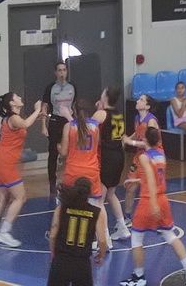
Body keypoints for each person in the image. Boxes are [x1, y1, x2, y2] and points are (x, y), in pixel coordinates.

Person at [120, 127, 186, 286]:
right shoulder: (161, 154)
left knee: (136, 238)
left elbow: (150, 177)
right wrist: (137, 181)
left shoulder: (144, 157)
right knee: (170, 236)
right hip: (163, 199)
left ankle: (139, 277)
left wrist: (153, 203)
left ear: (145, 139)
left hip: (149, 200)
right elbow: (155, 177)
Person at [0, 91, 42, 247]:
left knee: (3, 197)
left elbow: (24, 124)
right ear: (12, 103)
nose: (20, 98)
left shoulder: (11, 118)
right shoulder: (14, 118)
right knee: (20, 197)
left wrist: (37, 115)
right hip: (6, 161)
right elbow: (25, 124)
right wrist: (37, 109)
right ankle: (4, 232)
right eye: (17, 97)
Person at [58, 99, 112, 249]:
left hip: (73, 171)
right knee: (97, 205)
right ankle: (105, 239)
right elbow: (96, 145)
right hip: (91, 170)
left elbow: (64, 152)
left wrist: (58, 147)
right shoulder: (95, 127)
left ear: (74, 111)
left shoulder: (69, 126)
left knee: (67, 205)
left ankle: (67, 237)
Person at [48, 177, 108, 286]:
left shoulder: (61, 208)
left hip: (61, 260)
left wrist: (53, 253)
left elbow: (52, 235)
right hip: (82, 263)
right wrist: (101, 255)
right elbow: (102, 240)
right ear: (89, 193)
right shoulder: (96, 212)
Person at [118, 94, 160, 234]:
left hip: (152, 156)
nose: (137, 101)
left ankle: (157, 217)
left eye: (141, 100)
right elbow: (137, 134)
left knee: (149, 188)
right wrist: (126, 139)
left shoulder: (151, 122)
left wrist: (131, 142)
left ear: (147, 106)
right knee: (130, 186)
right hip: (139, 156)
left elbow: (152, 144)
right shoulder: (137, 118)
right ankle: (128, 217)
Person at [96, 87, 131, 241]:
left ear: (105, 97)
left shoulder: (101, 114)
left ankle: (104, 238)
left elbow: (88, 129)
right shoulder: (118, 113)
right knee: (111, 194)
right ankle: (122, 227)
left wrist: (98, 110)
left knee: (99, 200)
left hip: (107, 157)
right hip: (119, 155)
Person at [42, 61, 77, 195]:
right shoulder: (50, 88)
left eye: (64, 70)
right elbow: (44, 107)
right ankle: (52, 182)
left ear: (67, 72)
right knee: (53, 153)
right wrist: (43, 125)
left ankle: (70, 180)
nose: (62, 73)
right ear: (56, 72)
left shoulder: (72, 87)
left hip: (68, 120)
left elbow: (74, 106)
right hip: (55, 120)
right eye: (59, 70)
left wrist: (77, 123)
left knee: (70, 150)